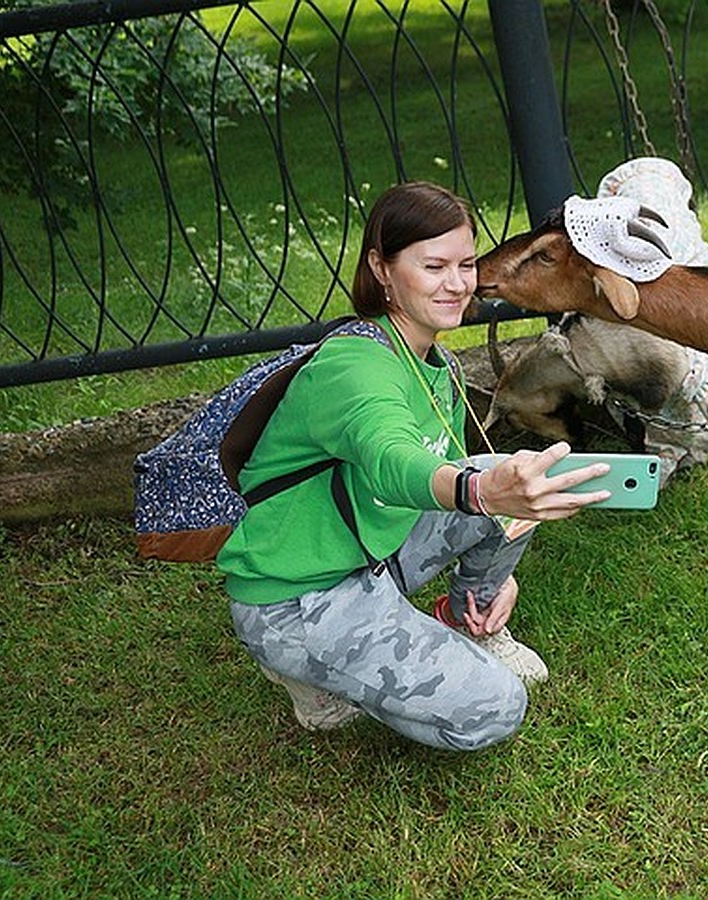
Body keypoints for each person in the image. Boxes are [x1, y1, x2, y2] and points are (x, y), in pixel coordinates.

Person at [216, 181, 611, 751]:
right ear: (382, 268)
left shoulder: (434, 361)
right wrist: (483, 493)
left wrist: (499, 557)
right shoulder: (354, 367)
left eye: (467, 264)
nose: (457, 284)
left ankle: (465, 616)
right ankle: (310, 672)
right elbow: (392, 462)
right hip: (300, 597)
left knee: (501, 476)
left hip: (369, 554)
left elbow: (444, 478)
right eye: (433, 266)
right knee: (496, 709)